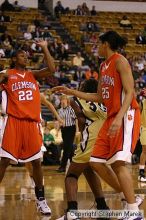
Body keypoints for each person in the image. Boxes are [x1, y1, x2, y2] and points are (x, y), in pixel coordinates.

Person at [52, 31, 143, 220]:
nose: (97, 47)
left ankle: (133, 210)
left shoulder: (120, 61)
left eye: (99, 44)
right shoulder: (103, 66)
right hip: (112, 116)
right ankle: (131, 198)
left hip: (125, 115)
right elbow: (100, 97)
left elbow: (130, 92)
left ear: (106, 44)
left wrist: (119, 117)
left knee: (119, 164)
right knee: (95, 161)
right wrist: (72, 91)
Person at [0, 40, 55, 215]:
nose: (26, 57)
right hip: (13, 122)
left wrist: (45, 48)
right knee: (4, 161)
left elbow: (52, 69)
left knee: (37, 162)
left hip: (32, 123)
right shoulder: (7, 74)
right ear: (15, 58)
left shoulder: (33, 74)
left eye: (26, 55)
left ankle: (41, 199)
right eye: (22, 55)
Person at [57, 79, 109, 220]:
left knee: (71, 176)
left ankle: (72, 212)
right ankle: (103, 208)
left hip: (91, 138)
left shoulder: (77, 99)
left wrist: (82, 133)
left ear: (83, 88)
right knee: (88, 169)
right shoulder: (104, 101)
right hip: (107, 139)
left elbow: (80, 120)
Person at [57, 95, 78, 172]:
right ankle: (74, 164)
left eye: (64, 100)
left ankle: (62, 166)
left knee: (66, 147)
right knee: (70, 148)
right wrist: (58, 130)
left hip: (71, 129)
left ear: (67, 101)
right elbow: (60, 120)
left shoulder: (71, 109)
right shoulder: (60, 110)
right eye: (61, 100)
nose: (62, 101)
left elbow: (76, 120)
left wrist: (77, 130)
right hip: (64, 129)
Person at [138, 88, 146, 182]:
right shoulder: (142, 102)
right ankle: (141, 172)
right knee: (144, 150)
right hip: (144, 128)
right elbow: (137, 115)